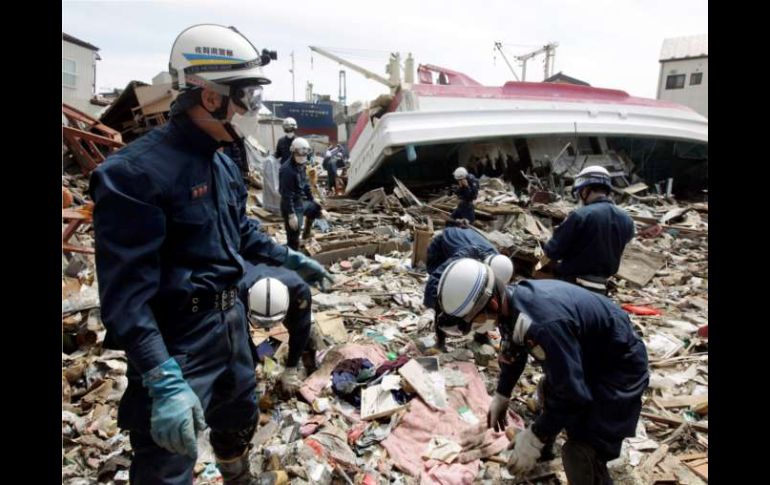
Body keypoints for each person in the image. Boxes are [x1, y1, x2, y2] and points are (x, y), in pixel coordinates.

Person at [90, 24, 332, 485]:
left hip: (231, 322)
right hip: (178, 340)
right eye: (245, 96)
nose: (251, 110)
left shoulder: (221, 160)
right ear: (207, 95)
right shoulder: (134, 176)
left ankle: (235, 476)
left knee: (237, 416)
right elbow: (125, 300)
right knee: (168, 457)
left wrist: (289, 257)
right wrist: (162, 378)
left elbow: (236, 229)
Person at [436, 259, 648, 484]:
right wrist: (502, 393)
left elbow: (574, 395)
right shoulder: (513, 305)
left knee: (583, 449)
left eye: (473, 319)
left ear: (493, 304)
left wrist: (534, 437)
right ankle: (543, 450)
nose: (473, 327)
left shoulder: (543, 324)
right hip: (588, 352)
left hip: (617, 366)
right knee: (550, 391)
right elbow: (513, 348)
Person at [543, 166, 634, 295]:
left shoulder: (580, 215)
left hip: (572, 285)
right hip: (602, 287)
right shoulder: (627, 219)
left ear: (585, 190)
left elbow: (552, 251)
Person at [422, 221, 513, 348]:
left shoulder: (499, 262)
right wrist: (437, 306)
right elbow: (435, 280)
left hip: (464, 237)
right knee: (444, 291)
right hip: (441, 247)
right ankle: (440, 341)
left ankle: (481, 336)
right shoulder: (466, 256)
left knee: (483, 300)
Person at [279, 137, 326, 249]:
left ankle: (307, 233)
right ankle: (292, 251)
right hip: (290, 205)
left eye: (304, 154)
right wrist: (291, 215)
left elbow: (304, 184)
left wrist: (312, 198)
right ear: (293, 152)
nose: (302, 157)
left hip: (300, 202)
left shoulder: (301, 164)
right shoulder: (287, 170)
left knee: (315, 207)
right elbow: (286, 195)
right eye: (300, 154)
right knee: (294, 238)